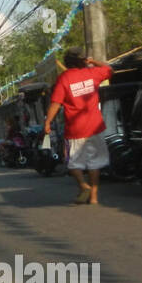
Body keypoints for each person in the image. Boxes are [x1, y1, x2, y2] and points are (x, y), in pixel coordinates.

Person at [43, 49, 113, 205]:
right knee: (95, 163)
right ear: (82, 61)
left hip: (75, 129)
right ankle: (94, 198)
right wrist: (93, 61)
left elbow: (56, 103)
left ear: (67, 63)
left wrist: (47, 122)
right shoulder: (92, 73)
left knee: (70, 161)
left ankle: (83, 185)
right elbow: (109, 69)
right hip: (96, 127)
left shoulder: (64, 78)